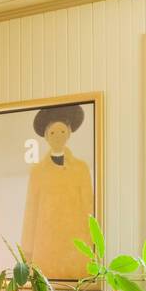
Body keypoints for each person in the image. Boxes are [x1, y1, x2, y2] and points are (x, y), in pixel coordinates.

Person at [21, 103, 93, 280]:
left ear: (68, 132)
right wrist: (27, 252)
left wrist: (92, 245)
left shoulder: (81, 168)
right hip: (46, 245)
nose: (57, 137)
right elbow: (31, 211)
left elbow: (89, 208)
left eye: (62, 131)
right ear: (46, 136)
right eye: (52, 132)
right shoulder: (37, 172)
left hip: (76, 244)